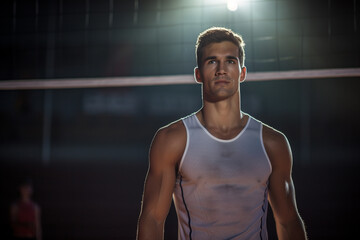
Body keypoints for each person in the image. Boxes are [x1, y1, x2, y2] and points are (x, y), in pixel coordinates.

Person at [137, 27, 307, 240]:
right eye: (211, 61)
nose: (221, 69)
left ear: (242, 73)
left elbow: (288, 221)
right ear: (198, 74)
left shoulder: (273, 142)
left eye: (230, 61)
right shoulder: (172, 139)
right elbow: (152, 219)